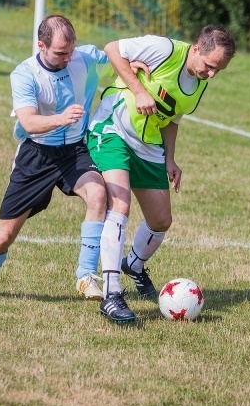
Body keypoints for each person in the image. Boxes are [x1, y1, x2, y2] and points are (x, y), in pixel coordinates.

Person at [0, 15, 146, 302]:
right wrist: (61, 119)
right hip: (36, 155)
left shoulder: (84, 58)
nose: (68, 58)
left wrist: (132, 68)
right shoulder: (24, 74)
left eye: (70, 51)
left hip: (75, 152)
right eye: (60, 53)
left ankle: (86, 276)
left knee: (97, 194)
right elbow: (29, 123)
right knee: (4, 235)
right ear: (41, 45)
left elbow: (115, 56)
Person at [87, 25, 236, 322]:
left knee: (160, 221)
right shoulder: (164, 49)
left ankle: (134, 265)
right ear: (196, 48)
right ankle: (111, 294)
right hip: (113, 127)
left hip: (149, 142)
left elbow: (172, 118)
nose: (212, 75)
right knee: (120, 205)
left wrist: (171, 159)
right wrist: (139, 90)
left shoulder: (198, 83)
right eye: (209, 66)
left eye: (218, 70)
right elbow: (112, 48)